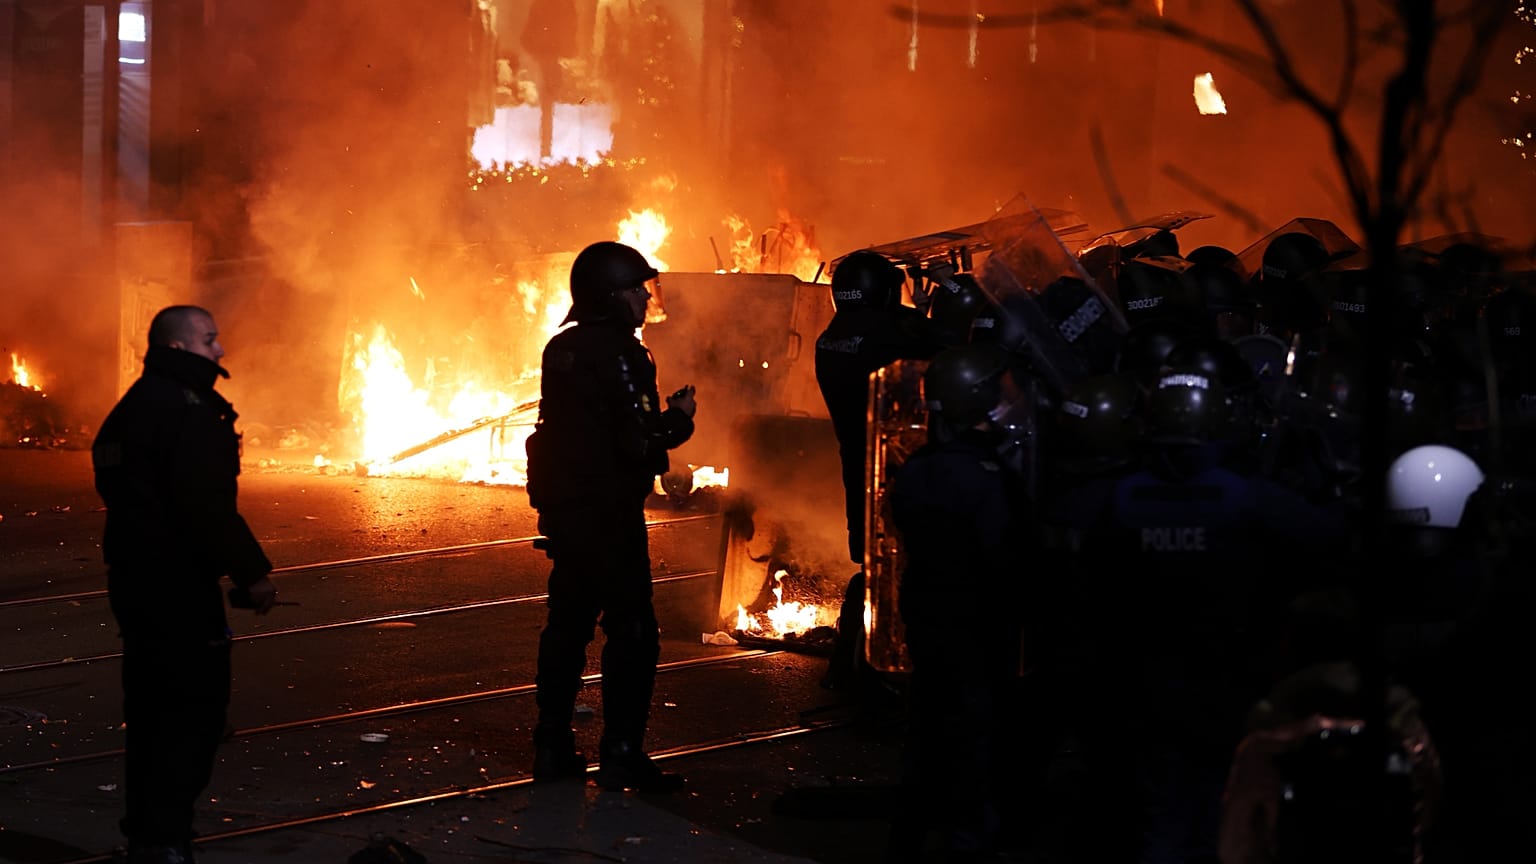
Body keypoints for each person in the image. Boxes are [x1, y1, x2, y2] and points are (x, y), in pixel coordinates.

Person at [92, 305, 277, 864]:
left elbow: (116, 477)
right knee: (192, 714)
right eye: (209, 340)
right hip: (178, 587)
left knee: (150, 713)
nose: (219, 351)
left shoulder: (131, 406)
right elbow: (207, 507)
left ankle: (148, 833)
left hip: (135, 580)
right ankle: (166, 838)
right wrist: (253, 574)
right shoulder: (188, 410)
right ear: (178, 347)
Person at [524, 240, 696, 793]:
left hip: (567, 514)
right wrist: (679, 420)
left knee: (566, 627)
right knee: (633, 633)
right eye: (636, 289)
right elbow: (638, 439)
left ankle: (551, 745)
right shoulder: (626, 354)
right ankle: (621, 752)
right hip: (610, 514)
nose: (645, 299)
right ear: (611, 296)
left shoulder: (561, 349)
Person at [886, 343, 1030, 863]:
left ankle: (908, 839)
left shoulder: (920, 467)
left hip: (928, 618)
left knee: (925, 736)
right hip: (978, 625)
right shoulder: (985, 474)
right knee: (977, 741)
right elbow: (1003, 554)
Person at [814, 250, 941, 690]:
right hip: (899, 467)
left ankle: (846, 667)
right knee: (903, 565)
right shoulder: (891, 335)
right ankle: (882, 674)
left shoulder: (830, 338)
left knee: (870, 562)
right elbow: (942, 348)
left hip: (859, 465)